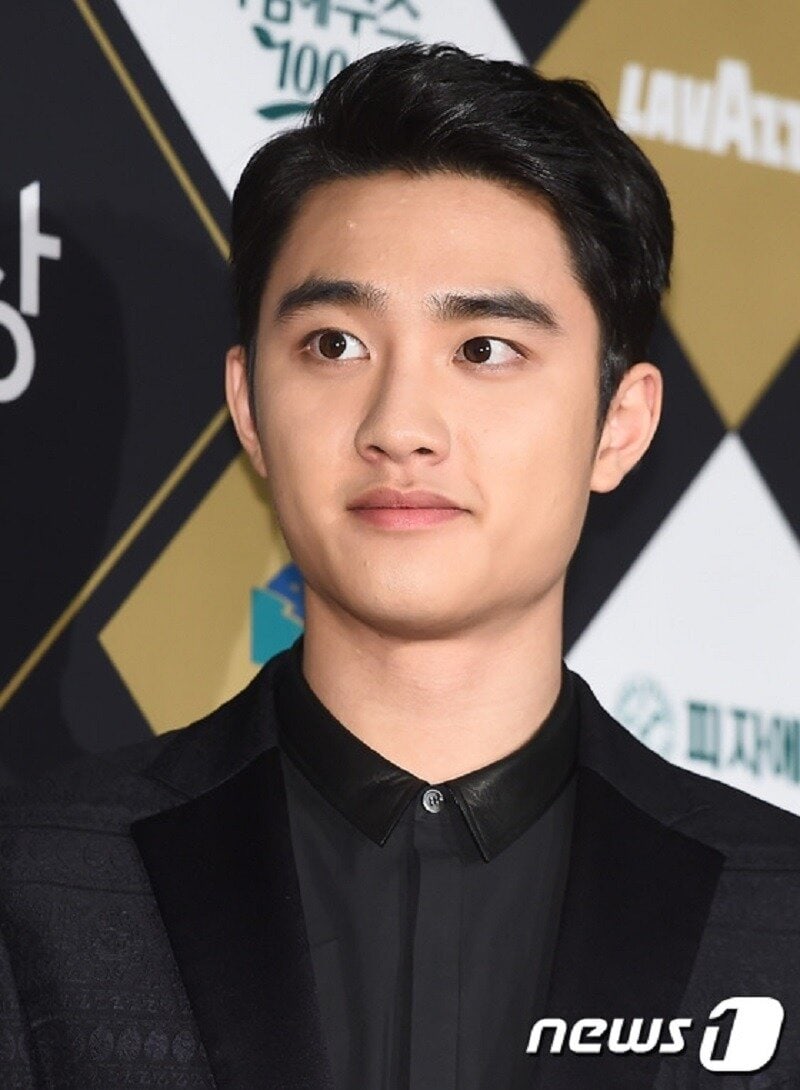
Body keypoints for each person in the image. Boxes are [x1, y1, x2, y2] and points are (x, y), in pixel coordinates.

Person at [0, 41, 798, 1090]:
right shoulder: (37, 884)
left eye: (483, 349)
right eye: (334, 344)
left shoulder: (777, 912)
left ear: (619, 424)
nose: (399, 425)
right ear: (248, 407)